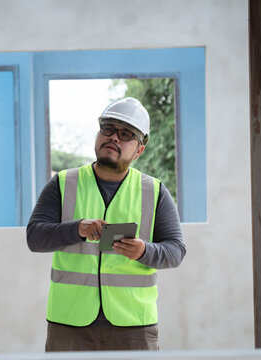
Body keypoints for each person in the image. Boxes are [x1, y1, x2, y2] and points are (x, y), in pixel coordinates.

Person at [27, 97, 185, 351]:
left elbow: (176, 251)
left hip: (134, 325)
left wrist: (144, 251)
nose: (114, 137)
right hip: (69, 323)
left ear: (139, 150)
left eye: (125, 134)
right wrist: (76, 228)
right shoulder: (63, 183)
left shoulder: (154, 191)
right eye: (108, 129)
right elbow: (34, 238)